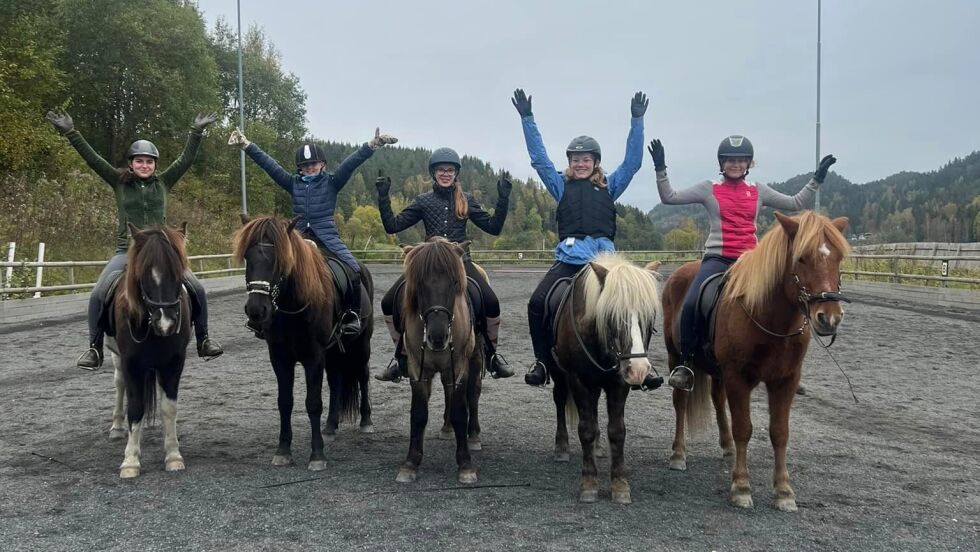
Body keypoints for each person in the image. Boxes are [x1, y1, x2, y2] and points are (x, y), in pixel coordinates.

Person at [649, 135, 837, 390]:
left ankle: (787, 366)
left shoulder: (758, 190)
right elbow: (669, 196)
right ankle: (686, 362)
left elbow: (795, 203)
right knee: (692, 302)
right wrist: (661, 168)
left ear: (749, 163)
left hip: (751, 260)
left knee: (787, 300)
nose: (735, 165)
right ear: (721, 163)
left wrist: (817, 179)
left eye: (740, 160)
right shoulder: (708, 188)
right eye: (730, 161)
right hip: (718, 258)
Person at [45, 108, 224, 370]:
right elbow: (93, 160)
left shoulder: (163, 182)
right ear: (131, 163)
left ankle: (204, 339)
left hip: (162, 254)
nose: (144, 165)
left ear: (155, 165)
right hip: (126, 252)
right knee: (98, 293)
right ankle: (94, 348)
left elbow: (186, 160)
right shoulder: (119, 182)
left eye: (149, 162)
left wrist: (196, 132)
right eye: (139, 161)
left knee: (196, 288)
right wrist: (72, 133)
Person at [512, 89, 661, 390]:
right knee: (537, 303)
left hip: (606, 264)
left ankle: (644, 361)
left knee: (636, 305)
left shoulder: (610, 186)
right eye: (576, 160)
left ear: (595, 162)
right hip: (569, 262)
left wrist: (637, 120)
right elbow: (539, 160)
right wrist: (527, 118)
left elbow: (632, 163)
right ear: (570, 162)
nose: (581, 164)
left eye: (586, 159)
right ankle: (542, 362)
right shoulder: (560, 185)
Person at [227, 127, 397, 336]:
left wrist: (372, 145)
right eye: (305, 166)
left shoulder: (333, 182)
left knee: (354, 270)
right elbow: (269, 165)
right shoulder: (292, 183)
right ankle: (264, 318)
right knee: (275, 272)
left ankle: (351, 314)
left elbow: (351, 163)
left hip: (327, 238)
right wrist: (247, 145)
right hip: (297, 239)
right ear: (300, 168)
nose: (310, 168)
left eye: (313, 164)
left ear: (322, 164)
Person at [374, 147, 514, 382]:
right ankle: (401, 355)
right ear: (433, 173)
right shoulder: (423, 201)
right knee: (389, 300)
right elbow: (393, 225)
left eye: (450, 170)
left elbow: (493, 227)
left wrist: (503, 200)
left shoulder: (466, 200)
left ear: (456, 173)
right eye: (441, 170)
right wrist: (383, 197)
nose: (445, 174)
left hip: (459, 262)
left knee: (490, 301)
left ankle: (492, 355)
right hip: (428, 263)